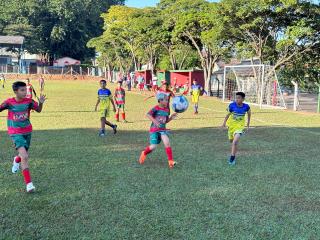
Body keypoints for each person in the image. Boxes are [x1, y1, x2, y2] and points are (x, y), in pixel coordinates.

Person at [0, 81, 46, 193]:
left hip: (27, 131)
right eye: (22, 90)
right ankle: (29, 184)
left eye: (26, 89)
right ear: (16, 91)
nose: (25, 92)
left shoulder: (29, 101)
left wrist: (40, 103)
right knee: (25, 156)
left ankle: (16, 159)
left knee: (22, 154)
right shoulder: (9, 103)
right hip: (15, 132)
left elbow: (39, 110)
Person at [139, 93, 178, 169]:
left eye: (168, 100)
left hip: (162, 130)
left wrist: (171, 117)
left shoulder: (167, 110)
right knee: (153, 146)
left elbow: (165, 121)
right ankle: (144, 153)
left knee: (167, 142)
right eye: (166, 100)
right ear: (160, 101)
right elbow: (148, 114)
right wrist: (155, 121)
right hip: (154, 130)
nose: (167, 101)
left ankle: (170, 161)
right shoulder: (156, 108)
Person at [221, 92, 251, 165]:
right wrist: (224, 123)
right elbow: (227, 114)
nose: (237, 99)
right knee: (231, 141)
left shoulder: (246, 107)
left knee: (235, 142)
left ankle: (232, 158)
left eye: (239, 98)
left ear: (243, 99)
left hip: (240, 126)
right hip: (231, 126)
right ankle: (234, 146)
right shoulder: (232, 105)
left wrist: (248, 124)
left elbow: (249, 114)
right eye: (236, 98)